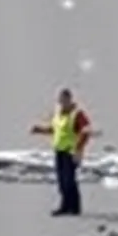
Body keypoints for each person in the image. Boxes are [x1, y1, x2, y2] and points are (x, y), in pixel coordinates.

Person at [30, 87, 92, 216]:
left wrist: (78, 149)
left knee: (69, 180)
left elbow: (86, 131)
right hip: (59, 151)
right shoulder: (58, 114)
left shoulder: (77, 114)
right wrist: (40, 130)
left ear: (70, 100)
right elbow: (54, 130)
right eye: (61, 100)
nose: (63, 102)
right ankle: (65, 206)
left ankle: (74, 207)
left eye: (65, 100)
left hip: (71, 151)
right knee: (62, 181)